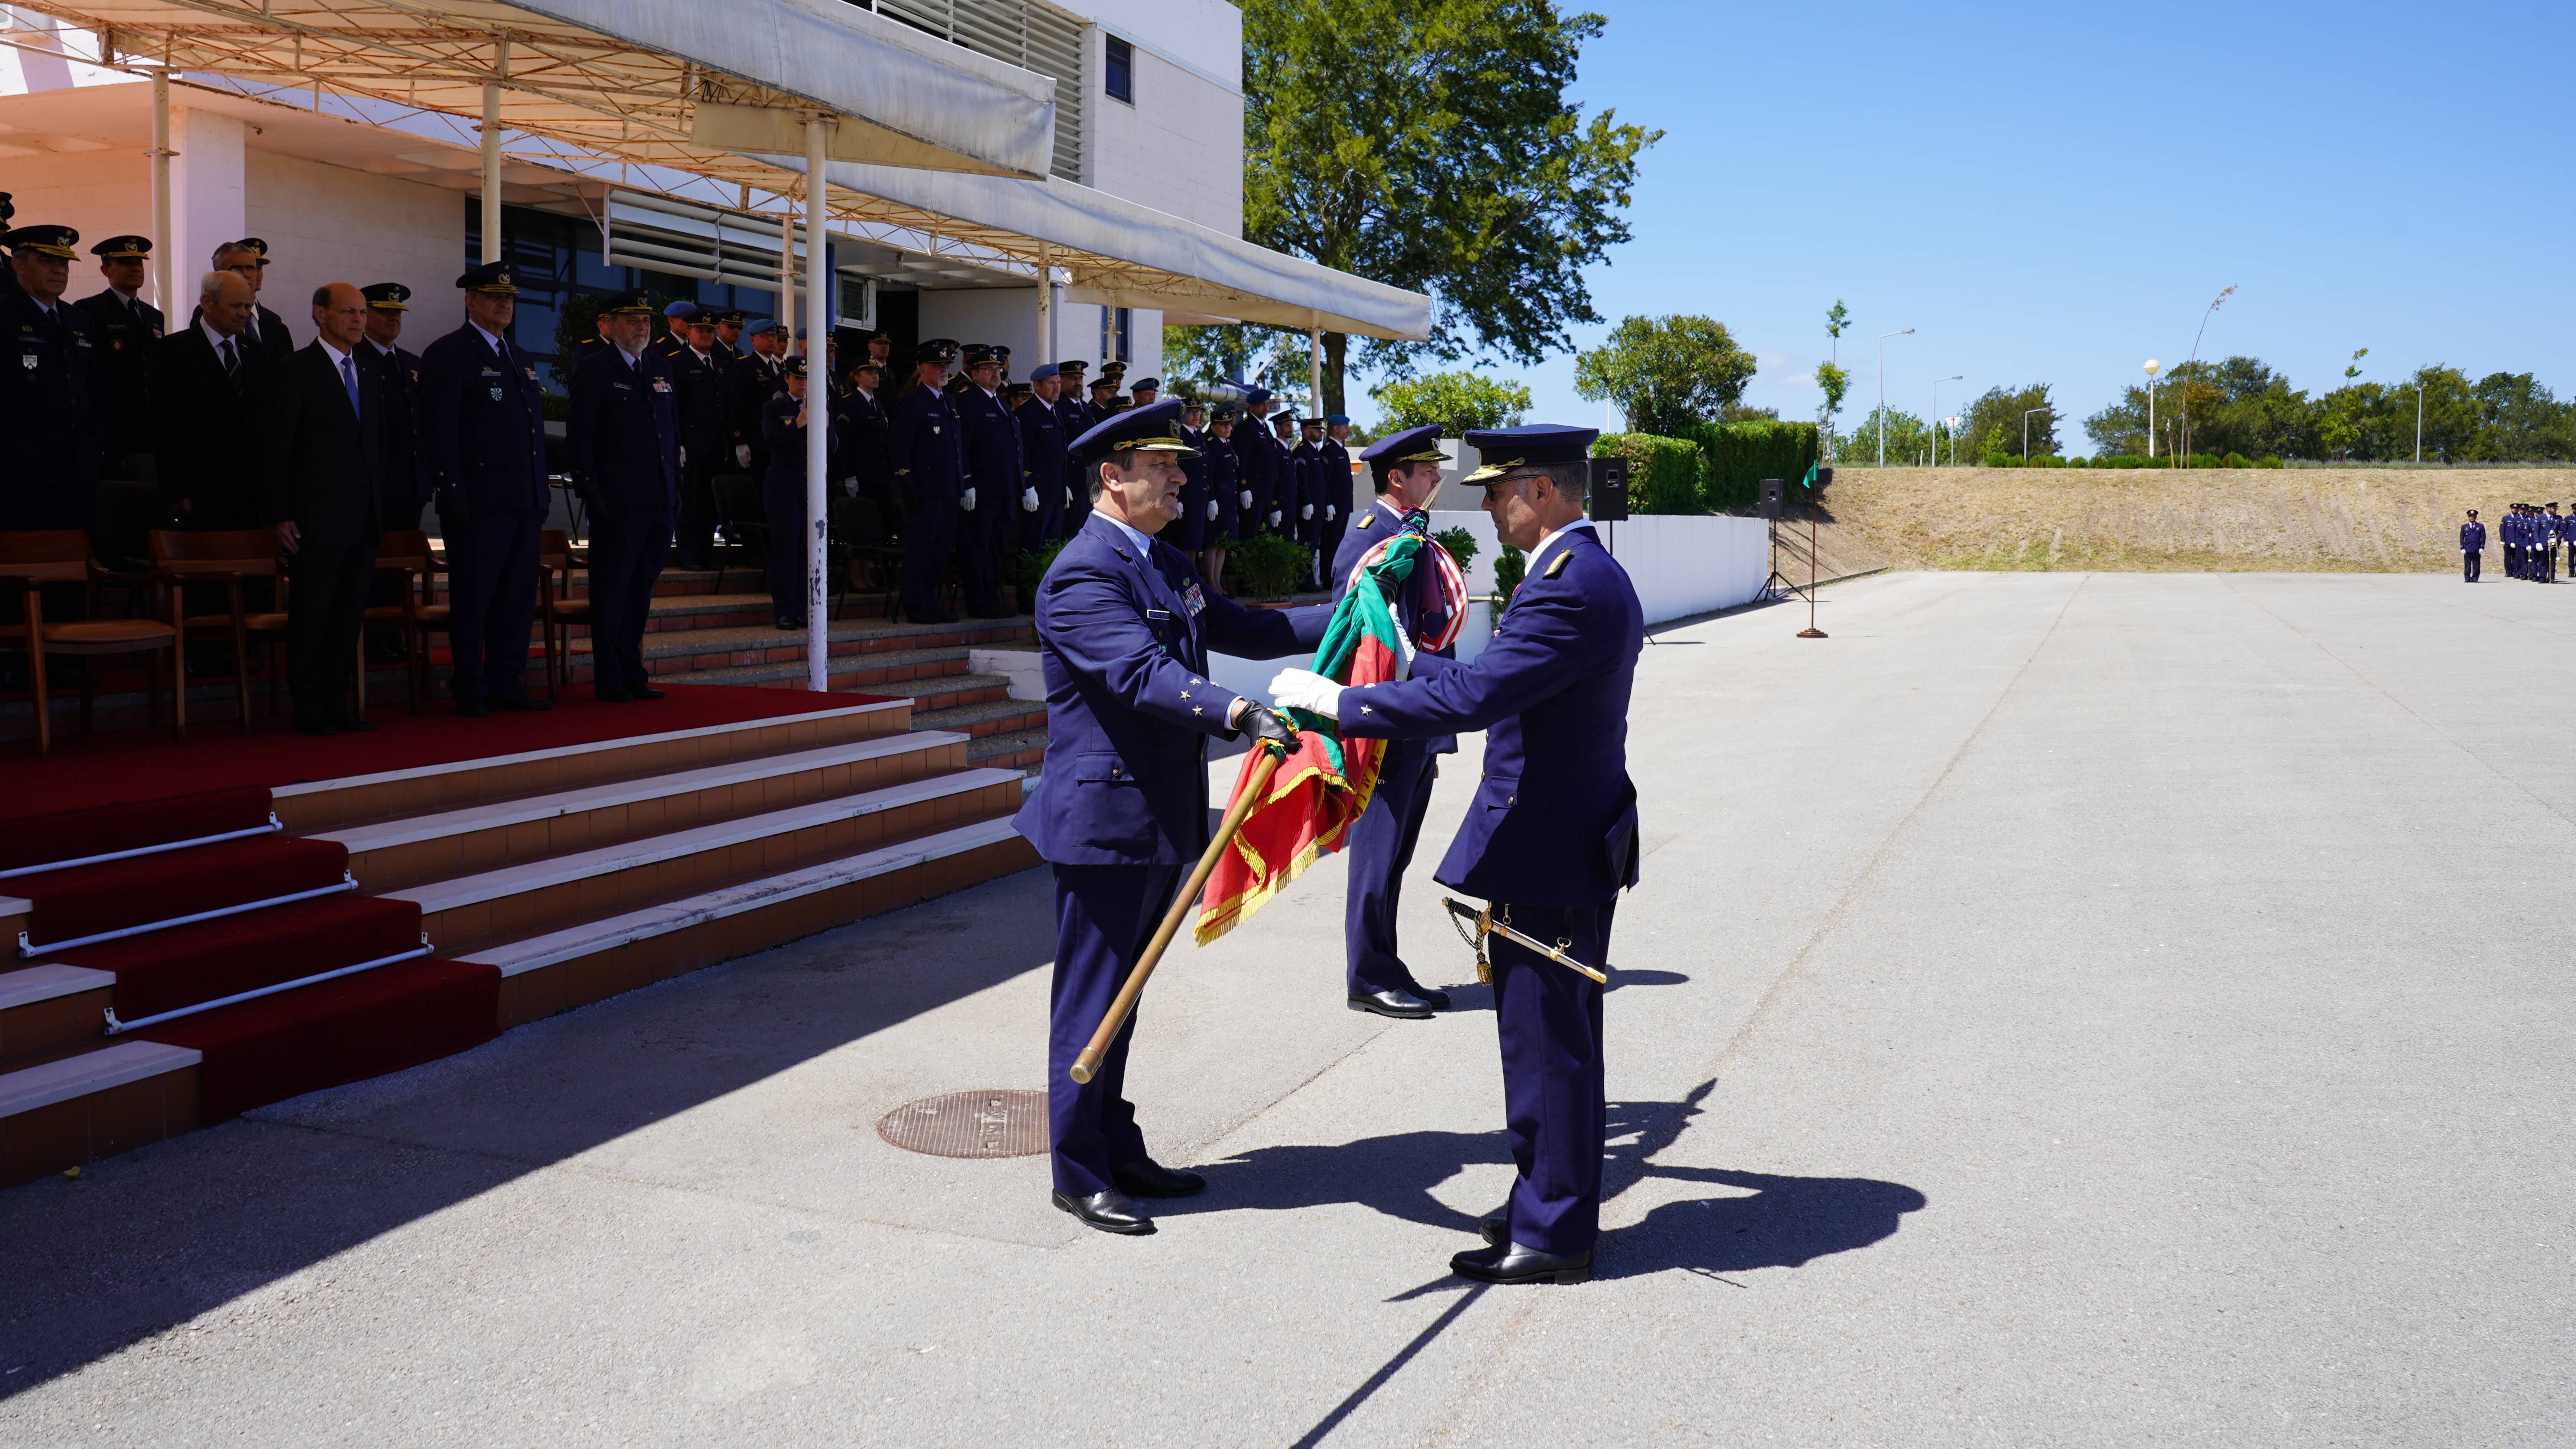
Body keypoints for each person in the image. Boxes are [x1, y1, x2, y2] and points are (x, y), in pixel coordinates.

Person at [1270, 423, 1644, 1286]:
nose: (1487, 505)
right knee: (1557, 1037)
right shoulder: (1578, 572)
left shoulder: (1566, 584)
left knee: (1546, 1042)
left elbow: (1481, 692)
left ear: (1543, 492)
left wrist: (1345, 702)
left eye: (1500, 490)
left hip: (1545, 842)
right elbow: (1490, 678)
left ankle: (1552, 1232)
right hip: (1563, 833)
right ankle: (1550, 1194)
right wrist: (1399, 667)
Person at [1013, 398, 1329, 1236]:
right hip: (1105, 822)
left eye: (1178, 466)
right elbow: (1139, 673)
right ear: (1112, 478)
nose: (1181, 477)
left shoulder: (1164, 561)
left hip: (1157, 817)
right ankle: (1077, 1172)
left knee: (1127, 994)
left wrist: (1359, 609)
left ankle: (1116, 1147)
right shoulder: (1083, 572)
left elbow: (1253, 630)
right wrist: (1235, 713)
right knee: (1092, 1001)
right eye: (1163, 467)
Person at [1329, 425, 1460, 1019]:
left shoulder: (1409, 533)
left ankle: (1385, 962)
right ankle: (1366, 975)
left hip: (1417, 720)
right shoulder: (1371, 538)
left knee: (1398, 857)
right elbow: (1362, 632)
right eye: (1426, 470)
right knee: (1377, 854)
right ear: (1396, 478)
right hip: (1387, 723)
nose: (1436, 477)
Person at [420, 259, 550, 716]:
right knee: (475, 597)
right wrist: (451, 488)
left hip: (524, 499)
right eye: (495, 296)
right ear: (469, 301)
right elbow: (440, 430)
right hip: (479, 501)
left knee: (515, 598)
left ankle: (506, 679)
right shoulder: (450, 353)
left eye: (509, 298)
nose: (504, 304)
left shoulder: (519, 357)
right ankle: (470, 684)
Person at [263, 283, 386, 736]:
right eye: (348, 312)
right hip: (314, 520)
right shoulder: (294, 371)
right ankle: (310, 710)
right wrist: (279, 512)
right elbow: (277, 449)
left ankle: (339, 705)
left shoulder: (371, 372)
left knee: (347, 619)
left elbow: (376, 447)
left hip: (362, 519)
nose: (358, 320)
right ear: (320, 314)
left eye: (362, 313)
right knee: (312, 618)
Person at [566, 288, 676, 702]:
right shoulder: (595, 369)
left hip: (659, 500)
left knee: (640, 592)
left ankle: (633, 671)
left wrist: (675, 489)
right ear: (609, 326)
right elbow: (582, 437)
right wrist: (591, 494)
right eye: (632, 320)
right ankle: (609, 677)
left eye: (646, 320)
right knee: (612, 592)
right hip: (618, 502)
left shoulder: (661, 367)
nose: (642, 327)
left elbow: (671, 433)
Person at [0, 224, 104, 530]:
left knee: (75, 564)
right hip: (19, 473)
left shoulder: (79, 320)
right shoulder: (4, 315)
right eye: (48, 261)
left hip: (76, 469)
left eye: (65, 263)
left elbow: (91, 392)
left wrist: (95, 450)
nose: (60, 270)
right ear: (18, 265)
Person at [152, 269, 268, 530]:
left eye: (248, 306)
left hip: (251, 491)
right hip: (201, 490)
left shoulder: (256, 353)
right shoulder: (175, 351)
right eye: (235, 305)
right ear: (207, 303)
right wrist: (176, 490)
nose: (244, 313)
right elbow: (165, 425)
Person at [890, 338, 966, 623]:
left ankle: (931, 603)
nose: (944, 370)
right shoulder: (913, 401)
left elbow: (956, 448)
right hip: (925, 490)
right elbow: (900, 446)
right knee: (921, 550)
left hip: (949, 490)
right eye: (937, 365)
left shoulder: (949, 401)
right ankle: (916, 604)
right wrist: (906, 481)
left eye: (946, 364)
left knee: (939, 552)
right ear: (922, 369)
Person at [74, 234, 162, 478]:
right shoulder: (88, 311)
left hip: (149, 427)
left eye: (139, 262)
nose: (136, 268)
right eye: (125, 262)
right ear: (106, 270)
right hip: (111, 427)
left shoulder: (154, 316)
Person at [760, 355, 834, 631]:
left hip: (811, 485)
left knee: (809, 549)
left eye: (808, 379)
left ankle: (803, 608)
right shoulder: (774, 407)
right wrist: (799, 423)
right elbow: (773, 443)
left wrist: (825, 428)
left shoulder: (820, 406)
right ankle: (785, 609)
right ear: (788, 378)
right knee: (787, 547)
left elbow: (833, 446)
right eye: (799, 378)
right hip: (783, 485)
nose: (804, 384)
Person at [954, 343, 1022, 618]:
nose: (996, 373)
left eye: (998, 368)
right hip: (982, 491)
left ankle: (992, 598)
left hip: (1004, 489)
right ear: (975, 373)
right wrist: (967, 481)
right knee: (977, 547)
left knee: (996, 548)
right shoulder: (968, 401)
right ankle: (978, 601)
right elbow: (964, 446)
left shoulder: (1001, 402)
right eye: (989, 369)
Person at [356, 283, 427, 532]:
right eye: (386, 311)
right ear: (365, 315)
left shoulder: (414, 364)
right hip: (375, 485)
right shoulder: (354, 359)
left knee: (406, 562)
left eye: (398, 312)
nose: (394, 317)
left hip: (412, 485)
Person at [667, 308, 734, 569]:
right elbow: (674, 406)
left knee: (710, 505)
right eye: (701, 330)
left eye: (710, 331)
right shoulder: (677, 363)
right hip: (691, 446)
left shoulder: (720, 365)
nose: (706, 335)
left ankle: (707, 554)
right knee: (691, 504)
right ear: (689, 332)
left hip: (716, 446)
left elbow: (724, 408)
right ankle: (688, 555)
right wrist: (679, 442)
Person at [831, 355, 893, 536]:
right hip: (862, 474)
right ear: (857, 377)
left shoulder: (879, 406)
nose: (875, 376)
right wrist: (849, 475)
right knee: (862, 528)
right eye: (869, 372)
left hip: (880, 473)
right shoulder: (849, 404)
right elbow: (844, 444)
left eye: (876, 372)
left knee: (883, 525)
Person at [210, 239, 294, 366]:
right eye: (237, 268)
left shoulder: (276, 325)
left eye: (252, 268)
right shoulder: (209, 314)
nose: (246, 274)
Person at [1017, 363, 1067, 556]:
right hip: (1038, 492)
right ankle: (1029, 587)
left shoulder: (1056, 411)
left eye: (1059, 383)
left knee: (1052, 548)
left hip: (1056, 492)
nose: (1057, 388)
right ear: (1037, 386)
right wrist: (1027, 486)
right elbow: (1023, 453)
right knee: (1033, 546)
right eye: (1051, 383)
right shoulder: (1028, 412)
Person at [1198, 405, 1239, 588]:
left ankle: (1218, 584)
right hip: (1217, 500)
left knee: (1223, 543)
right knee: (1213, 543)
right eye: (1223, 425)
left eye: (1229, 425)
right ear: (1213, 426)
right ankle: (1212, 583)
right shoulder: (1212, 445)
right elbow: (1209, 474)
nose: (1227, 428)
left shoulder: (1227, 444)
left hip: (1229, 500)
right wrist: (1211, 498)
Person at [1054, 360, 1094, 536]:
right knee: (1071, 530)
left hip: (1087, 479)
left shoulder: (1085, 407)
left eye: (1080, 378)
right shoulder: (1059, 407)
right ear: (1061, 380)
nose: (1078, 382)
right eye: (1073, 378)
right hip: (1071, 478)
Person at [1237, 387, 1282, 538]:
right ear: (1252, 407)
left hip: (1266, 492)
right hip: (1253, 492)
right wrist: (1244, 486)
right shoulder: (1247, 426)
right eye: (1263, 404)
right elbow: (1242, 459)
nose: (1267, 408)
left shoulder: (1264, 427)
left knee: (1263, 537)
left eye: (1268, 404)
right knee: (1250, 534)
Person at [1317, 414, 1355, 587]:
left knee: (1339, 542)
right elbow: (1324, 480)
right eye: (1345, 427)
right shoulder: (1328, 451)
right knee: (1329, 541)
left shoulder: (1342, 450)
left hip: (1343, 504)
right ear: (1335, 428)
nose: (1348, 430)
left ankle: (1335, 576)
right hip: (1333, 505)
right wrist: (1328, 502)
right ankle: (1326, 577)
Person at [2460, 510, 2485, 583]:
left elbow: (2483, 537)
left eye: (2473, 516)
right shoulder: (2464, 527)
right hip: (2467, 549)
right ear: (2468, 517)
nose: (2472, 517)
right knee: (2467, 565)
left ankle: (2475, 578)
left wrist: (2482, 547)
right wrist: (2462, 547)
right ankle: (2467, 578)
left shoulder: (2480, 526)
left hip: (2477, 549)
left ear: (2476, 517)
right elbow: (2462, 538)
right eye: (2470, 516)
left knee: (2476, 565)